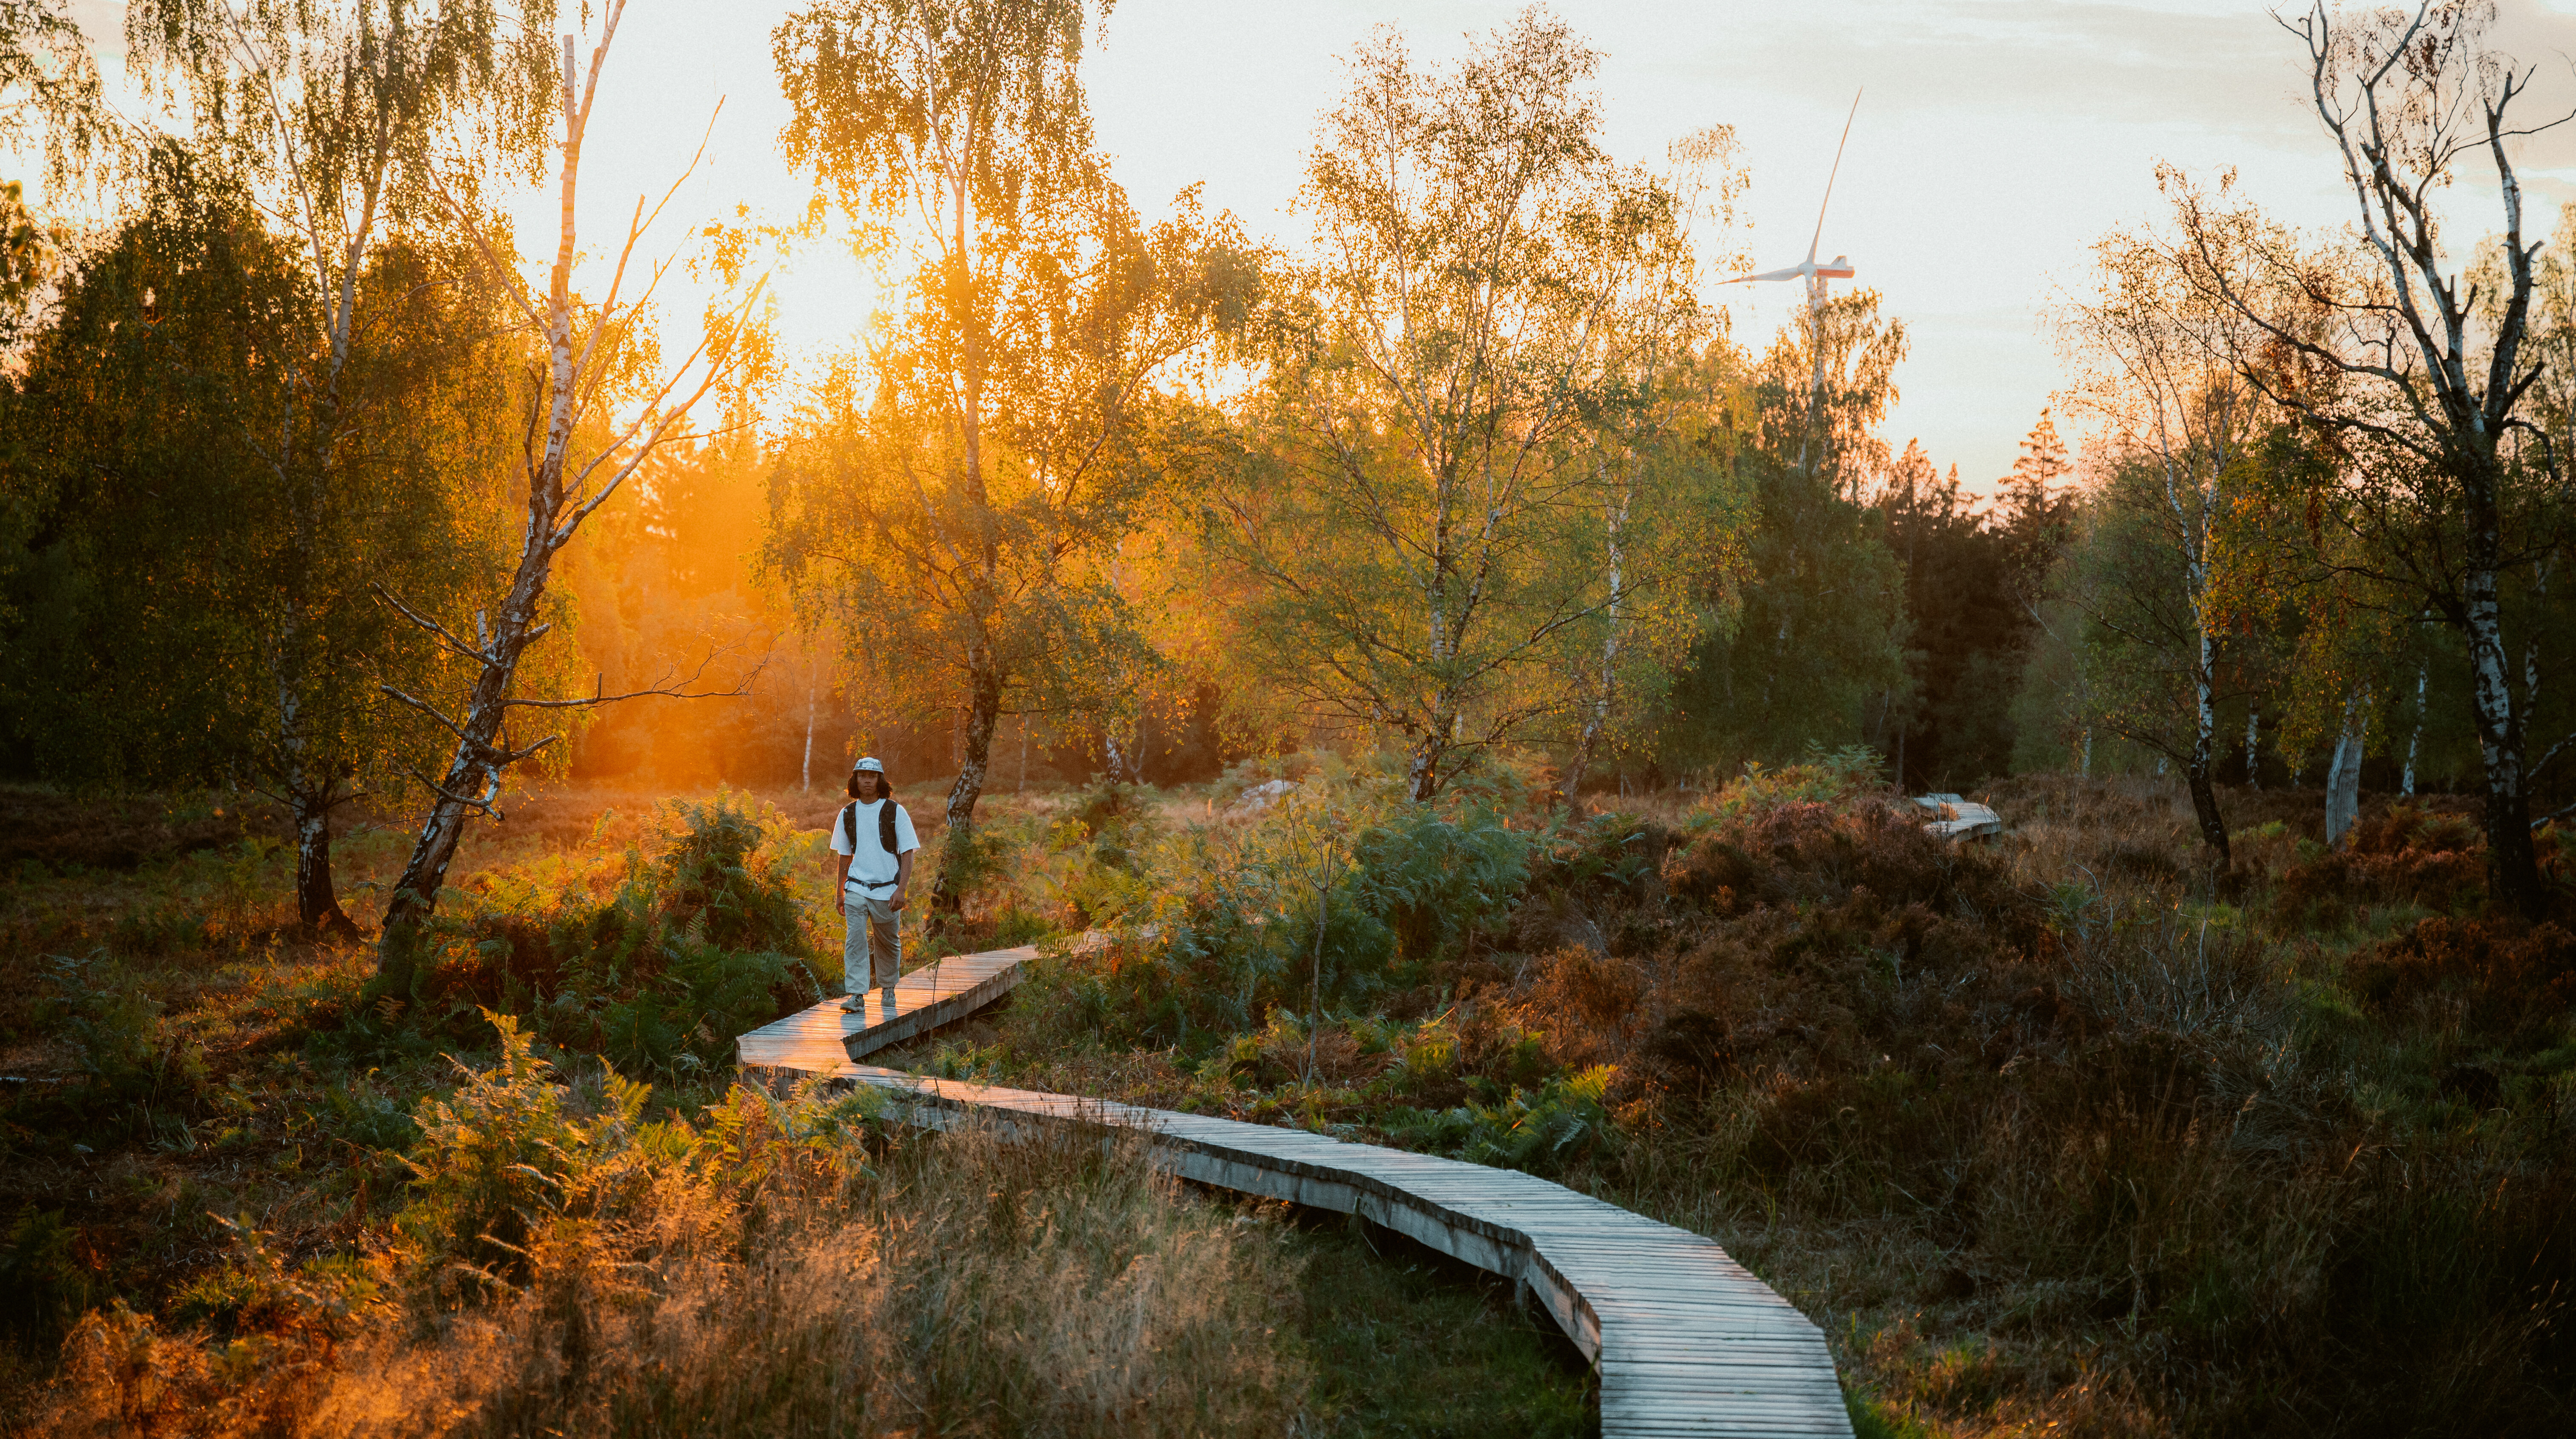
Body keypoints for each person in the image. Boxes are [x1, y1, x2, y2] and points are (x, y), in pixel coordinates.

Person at [826, 757, 920, 1016]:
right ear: (855, 780)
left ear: (880, 780)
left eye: (872, 776)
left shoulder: (895, 811)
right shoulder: (847, 814)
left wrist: (901, 890)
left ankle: (888, 988)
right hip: (856, 888)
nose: (867, 780)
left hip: (887, 890)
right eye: (862, 776)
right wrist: (840, 892)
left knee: (888, 942)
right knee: (854, 940)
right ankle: (857, 995)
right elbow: (844, 856)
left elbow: (908, 852)